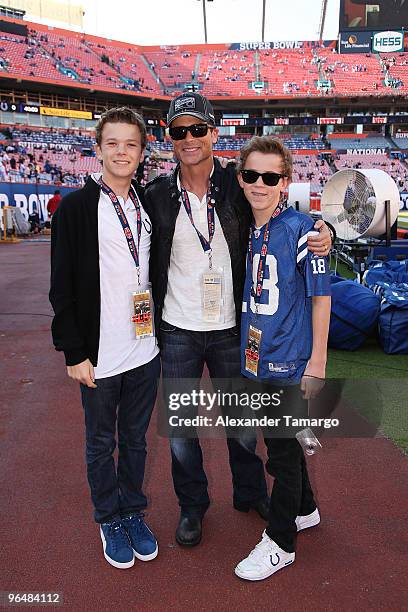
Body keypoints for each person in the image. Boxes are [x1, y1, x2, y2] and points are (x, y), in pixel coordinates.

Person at [144, 92, 332, 547]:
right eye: (178, 131)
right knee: (183, 431)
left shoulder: (237, 183)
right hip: (178, 329)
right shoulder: (155, 195)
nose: (188, 139)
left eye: (197, 129)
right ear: (170, 139)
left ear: (213, 133)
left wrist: (320, 230)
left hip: (233, 329)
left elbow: (279, 205)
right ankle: (193, 506)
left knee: (244, 427)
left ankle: (250, 493)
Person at [49, 107, 160, 570]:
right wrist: (74, 351)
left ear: (140, 153)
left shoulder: (148, 203)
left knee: (136, 441)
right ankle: (108, 517)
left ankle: (132, 510)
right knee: (100, 443)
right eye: (112, 143)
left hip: (145, 348)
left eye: (130, 144)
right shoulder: (76, 208)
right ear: (97, 150)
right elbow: (62, 285)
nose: (121, 151)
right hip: (99, 354)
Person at [233, 136, 331, 581]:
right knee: (285, 443)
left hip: (287, 362)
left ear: (284, 182)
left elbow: (321, 297)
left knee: (281, 454)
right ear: (241, 178)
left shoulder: (301, 231)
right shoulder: (245, 225)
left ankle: (281, 543)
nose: (259, 183)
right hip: (257, 355)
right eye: (251, 175)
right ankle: (305, 509)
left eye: (270, 177)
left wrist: (318, 364)